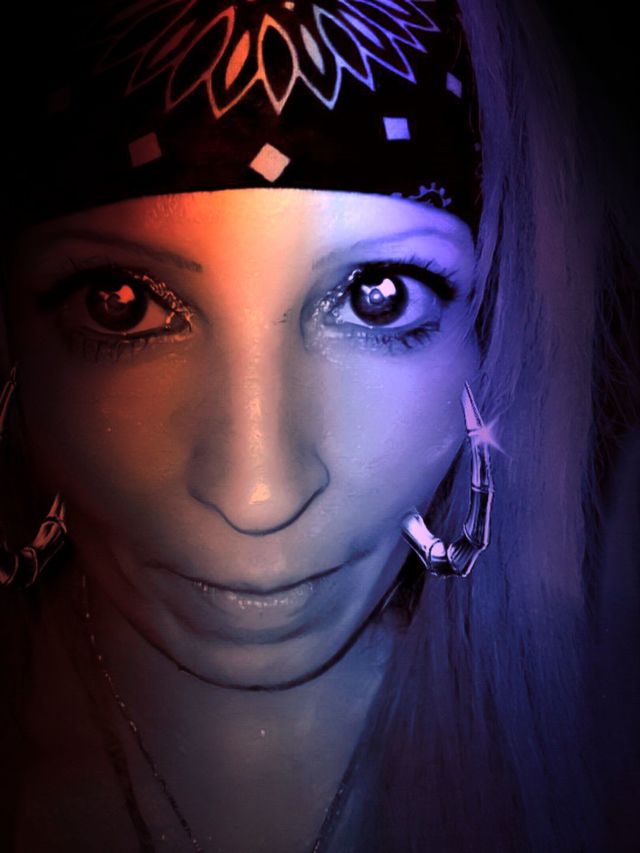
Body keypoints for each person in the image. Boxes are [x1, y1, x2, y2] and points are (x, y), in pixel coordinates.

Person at [0, 0, 638, 850]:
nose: (258, 496)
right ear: (12, 355)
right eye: (120, 303)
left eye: (378, 296)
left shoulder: (604, 766)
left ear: (486, 342)